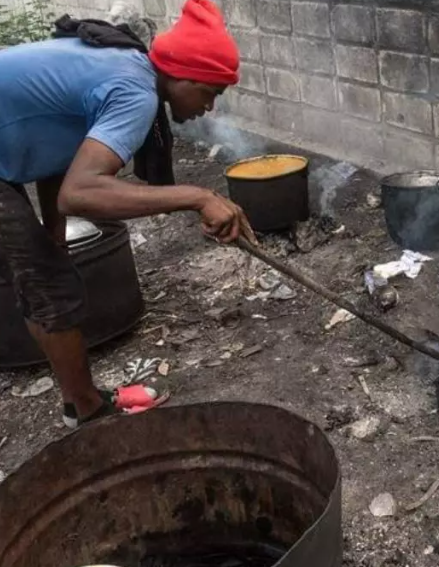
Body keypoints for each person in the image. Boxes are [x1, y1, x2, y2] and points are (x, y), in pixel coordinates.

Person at [0, 0, 255, 427]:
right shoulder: (135, 92)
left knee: (48, 269)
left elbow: (60, 159)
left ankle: (78, 403)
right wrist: (196, 196)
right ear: (184, 75)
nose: (209, 107)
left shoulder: (127, 63)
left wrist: (56, 237)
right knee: (51, 286)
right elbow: (79, 193)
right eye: (211, 92)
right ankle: (89, 414)